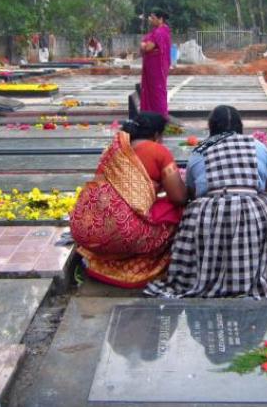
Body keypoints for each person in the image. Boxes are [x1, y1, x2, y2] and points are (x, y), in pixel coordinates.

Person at [145, 105, 267, 299]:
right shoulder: (257, 146)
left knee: (194, 212)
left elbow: (192, 194)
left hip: (211, 213)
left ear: (211, 127)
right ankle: (259, 271)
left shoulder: (199, 152)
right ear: (240, 126)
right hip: (254, 213)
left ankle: (210, 276)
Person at [70, 112, 187, 288]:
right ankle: (142, 264)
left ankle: (101, 265)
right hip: (125, 235)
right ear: (156, 135)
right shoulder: (158, 151)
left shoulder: (114, 149)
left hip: (86, 231)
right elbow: (179, 197)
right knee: (179, 210)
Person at [139, 8, 172, 116]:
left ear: (160, 19)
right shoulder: (162, 30)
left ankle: (160, 117)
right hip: (157, 67)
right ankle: (154, 116)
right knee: (156, 92)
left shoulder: (159, 32)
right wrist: (144, 45)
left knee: (157, 93)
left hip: (156, 68)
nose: (151, 20)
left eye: (153, 18)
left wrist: (143, 45)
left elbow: (148, 47)